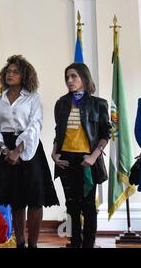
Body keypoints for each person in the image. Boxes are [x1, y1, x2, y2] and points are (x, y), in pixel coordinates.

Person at [0, 55, 59, 248]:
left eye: (15, 71)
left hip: (29, 147)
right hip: (5, 146)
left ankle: (33, 244)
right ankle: (19, 243)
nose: (10, 74)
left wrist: (18, 151)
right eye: (8, 71)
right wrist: (4, 150)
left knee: (35, 199)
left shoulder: (34, 98)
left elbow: (35, 125)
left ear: (24, 75)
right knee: (16, 198)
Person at [51, 62, 110, 248]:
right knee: (71, 207)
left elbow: (105, 134)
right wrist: (54, 154)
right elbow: (58, 131)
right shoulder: (61, 103)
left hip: (87, 160)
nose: (70, 80)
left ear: (84, 78)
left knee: (89, 207)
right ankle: (75, 243)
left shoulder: (98, 104)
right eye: (67, 77)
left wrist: (93, 157)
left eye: (74, 76)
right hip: (66, 160)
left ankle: (88, 245)